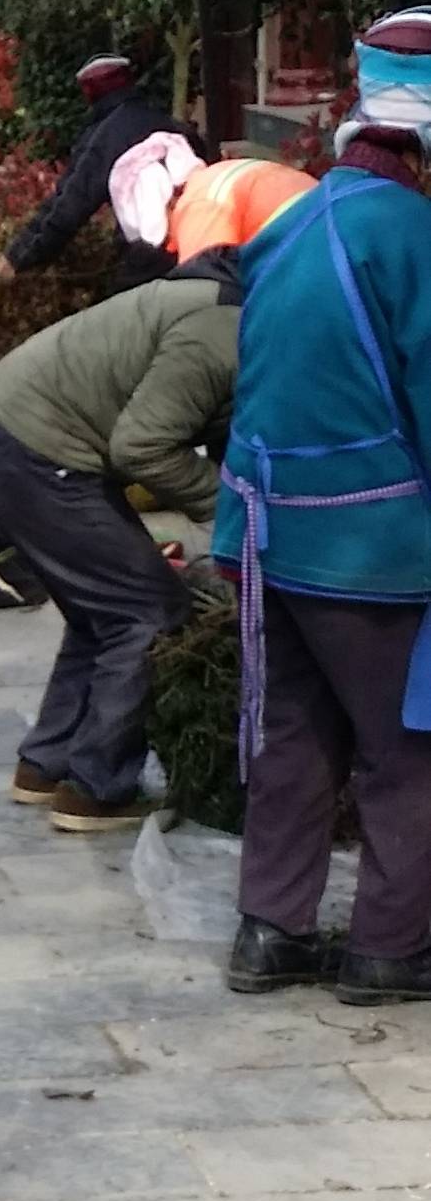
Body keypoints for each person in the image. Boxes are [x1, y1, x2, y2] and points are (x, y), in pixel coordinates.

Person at [215, 76, 431, 1002]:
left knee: (294, 736)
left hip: (264, 531)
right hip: (368, 543)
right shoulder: (412, 234)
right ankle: (389, 949)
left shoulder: (293, 223)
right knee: (405, 752)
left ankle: (271, 932)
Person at [0, 261, 240, 832]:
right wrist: (230, 511)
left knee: (102, 613)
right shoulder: (222, 329)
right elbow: (143, 445)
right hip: (35, 451)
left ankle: (46, 764)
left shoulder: (228, 305)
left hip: (11, 436)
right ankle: (96, 789)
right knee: (148, 613)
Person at [1, 41, 176, 281]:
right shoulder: (166, 124)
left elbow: (70, 204)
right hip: (199, 237)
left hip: (152, 254)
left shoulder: (103, 138)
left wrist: (19, 257)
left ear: (89, 92)